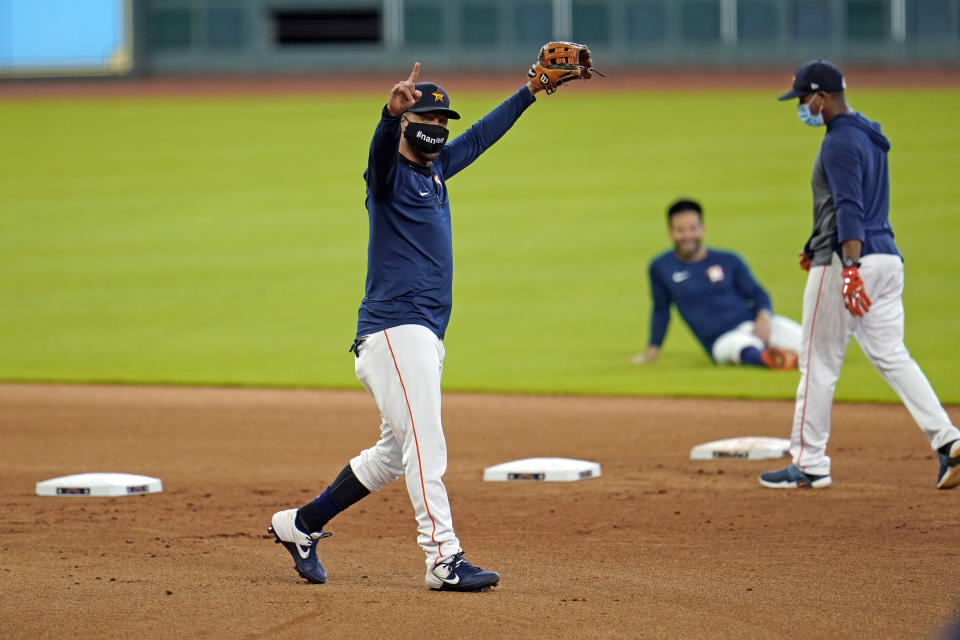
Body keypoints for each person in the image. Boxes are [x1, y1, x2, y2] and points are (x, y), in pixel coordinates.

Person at [267, 61, 562, 592]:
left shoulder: (435, 170)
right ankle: (443, 559)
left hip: (419, 333)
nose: (440, 126)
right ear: (407, 120)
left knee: (391, 455)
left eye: (443, 119)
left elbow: (482, 135)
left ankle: (301, 525)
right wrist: (388, 114)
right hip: (396, 329)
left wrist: (533, 90)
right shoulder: (388, 177)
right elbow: (380, 153)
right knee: (427, 446)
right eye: (429, 116)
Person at [759, 60, 960, 490]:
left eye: (802, 99)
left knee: (817, 363)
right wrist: (816, 245)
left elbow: (849, 207)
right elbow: (855, 206)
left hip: (850, 261)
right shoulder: (869, 133)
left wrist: (847, 268)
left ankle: (810, 463)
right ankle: (949, 441)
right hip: (887, 259)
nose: (801, 107)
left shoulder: (838, 144)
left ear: (822, 97)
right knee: (892, 355)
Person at [632, 198, 802, 369]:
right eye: (680, 230)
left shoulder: (728, 260)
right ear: (670, 232)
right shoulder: (661, 267)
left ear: (702, 229)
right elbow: (661, 311)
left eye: (692, 229)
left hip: (751, 324)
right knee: (742, 348)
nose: (687, 236)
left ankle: (788, 356)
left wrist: (763, 318)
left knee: (806, 340)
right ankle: (776, 359)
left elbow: (757, 294)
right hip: (720, 340)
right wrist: (651, 352)